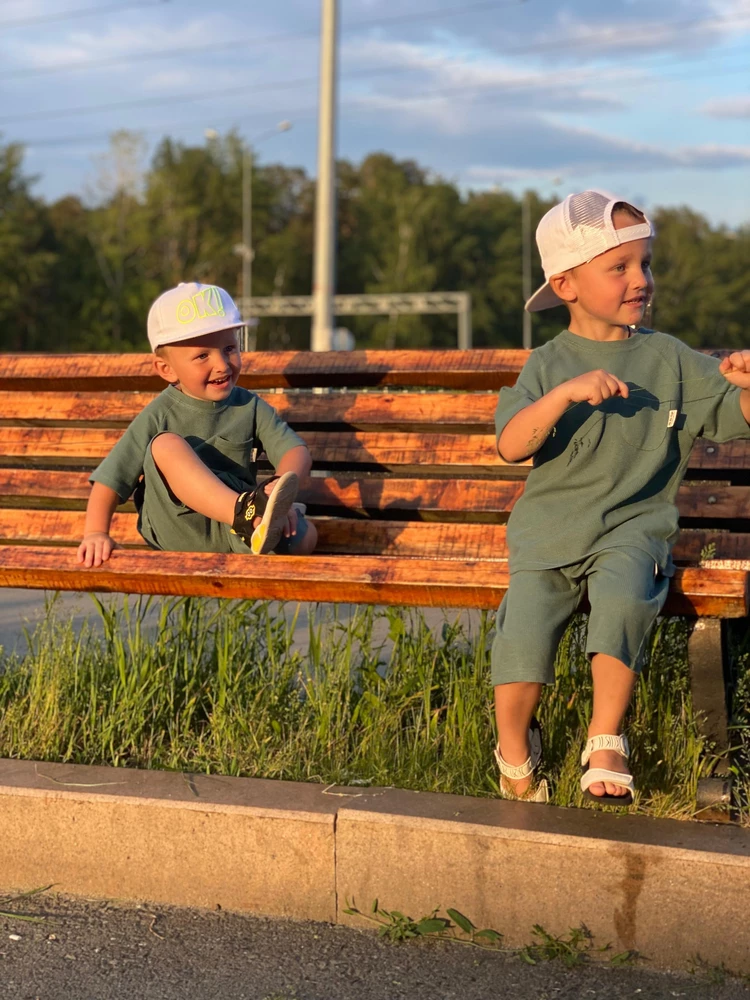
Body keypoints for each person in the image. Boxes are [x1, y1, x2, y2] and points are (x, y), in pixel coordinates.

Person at [492, 190, 750, 805]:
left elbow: (735, 415)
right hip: (550, 531)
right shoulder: (548, 364)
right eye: (620, 267)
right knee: (522, 633)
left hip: (633, 526)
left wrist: (746, 382)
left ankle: (606, 737)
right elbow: (511, 443)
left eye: (646, 264)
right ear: (566, 284)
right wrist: (564, 396)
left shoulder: (670, 359)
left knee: (624, 593)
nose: (641, 280)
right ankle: (513, 749)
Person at [77, 281, 317, 568]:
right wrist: (95, 533)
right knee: (165, 445)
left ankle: (256, 517)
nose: (222, 364)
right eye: (203, 355)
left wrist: (280, 493)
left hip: (239, 533)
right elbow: (109, 482)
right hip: (178, 531)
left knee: (307, 536)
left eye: (229, 348)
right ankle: (247, 512)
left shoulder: (249, 406)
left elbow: (295, 451)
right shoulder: (159, 414)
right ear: (166, 369)